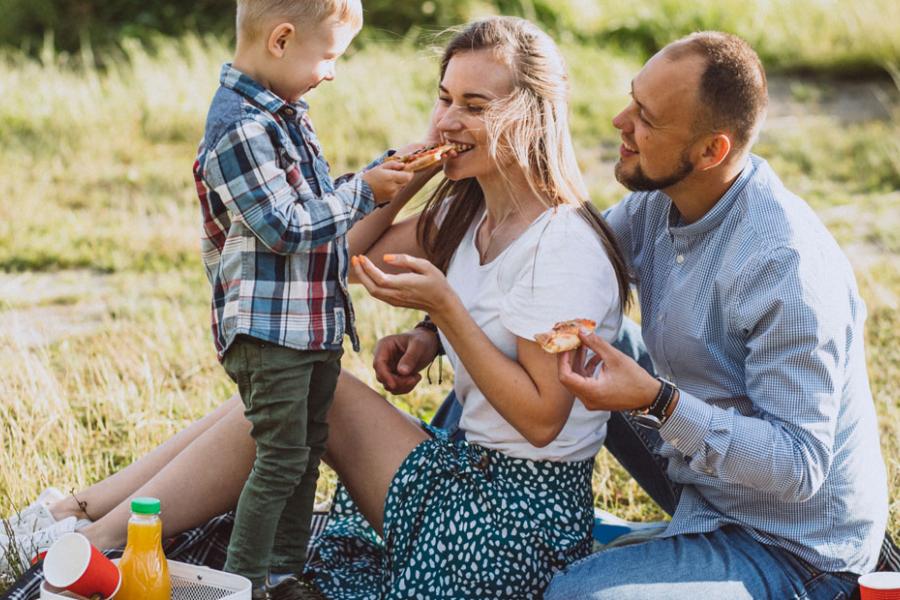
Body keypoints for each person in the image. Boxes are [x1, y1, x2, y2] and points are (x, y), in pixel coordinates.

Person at [1, 16, 632, 600]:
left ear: (533, 117)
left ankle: (94, 539)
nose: (448, 120)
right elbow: (343, 251)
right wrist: (409, 175)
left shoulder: (562, 246)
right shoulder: (470, 215)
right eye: (444, 98)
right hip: (468, 473)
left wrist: (447, 313)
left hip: (512, 526)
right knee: (292, 385)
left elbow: (544, 420)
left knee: (309, 391)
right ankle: (75, 514)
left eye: (475, 106)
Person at [538, 32, 890, 599]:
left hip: (795, 547)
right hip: (706, 481)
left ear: (711, 152)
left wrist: (656, 401)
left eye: (646, 118)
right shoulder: (662, 199)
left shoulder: (785, 266)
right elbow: (570, 264)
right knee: (568, 345)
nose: (618, 121)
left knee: (573, 595)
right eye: (632, 99)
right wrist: (438, 328)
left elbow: (800, 466)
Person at [191, 0, 418, 597]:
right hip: (271, 333)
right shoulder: (239, 126)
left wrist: (378, 174)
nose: (332, 72)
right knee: (280, 458)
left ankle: (283, 573)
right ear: (282, 39)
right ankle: (240, 583)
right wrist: (366, 193)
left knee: (305, 452)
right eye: (329, 57)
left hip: (310, 326)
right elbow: (285, 227)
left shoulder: (285, 113)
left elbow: (318, 204)